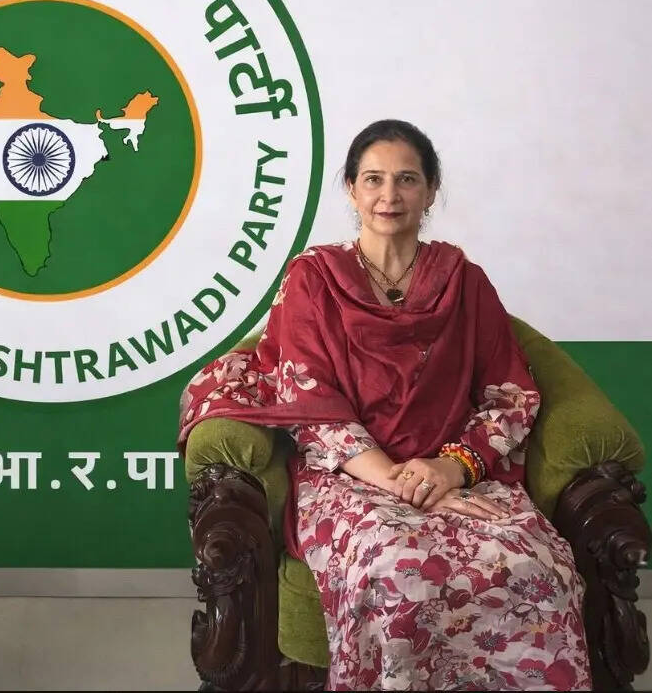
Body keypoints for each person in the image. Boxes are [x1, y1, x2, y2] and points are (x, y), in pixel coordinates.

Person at [178, 119, 589, 690]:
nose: (389, 195)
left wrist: (449, 469)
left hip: (455, 469)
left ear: (431, 190)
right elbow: (309, 400)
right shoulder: (313, 279)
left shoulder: (465, 283)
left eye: (406, 179)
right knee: (396, 568)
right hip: (350, 477)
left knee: (538, 565)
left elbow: (510, 396)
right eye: (373, 179)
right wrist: (403, 484)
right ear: (351, 189)